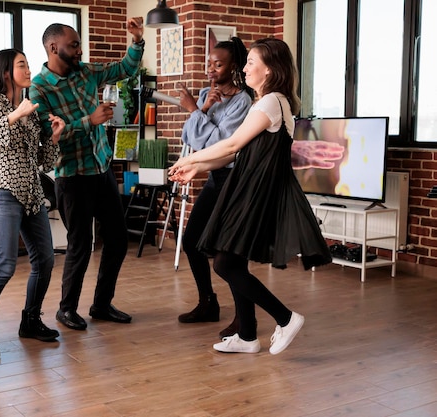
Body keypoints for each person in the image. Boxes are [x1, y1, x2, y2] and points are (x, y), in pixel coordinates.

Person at [169, 38, 331, 355]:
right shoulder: (267, 103)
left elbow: (230, 145)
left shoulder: (271, 102)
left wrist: (188, 159)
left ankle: (285, 318)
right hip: (249, 188)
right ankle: (247, 336)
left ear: (269, 69)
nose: (245, 68)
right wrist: (197, 168)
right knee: (232, 261)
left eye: (251, 62)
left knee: (225, 263)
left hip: (256, 194)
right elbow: (236, 153)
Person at [29, 18, 145, 330]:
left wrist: (136, 40)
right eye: (74, 45)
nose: (80, 50)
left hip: (102, 169)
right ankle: (66, 309)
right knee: (80, 245)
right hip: (72, 176)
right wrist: (88, 121)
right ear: (54, 48)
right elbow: (46, 136)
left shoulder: (86, 72)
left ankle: (102, 304)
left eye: (79, 44)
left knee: (118, 241)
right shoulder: (39, 89)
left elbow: (125, 69)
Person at [0, 48, 65, 360]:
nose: (29, 68)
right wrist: (14, 114)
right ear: (6, 71)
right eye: (22, 64)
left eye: (28, 63)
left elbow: (43, 162)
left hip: (33, 194)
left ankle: (31, 321)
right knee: (4, 266)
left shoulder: (30, 109)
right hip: (2, 192)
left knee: (45, 260)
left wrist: (54, 139)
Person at [176, 38, 252, 340]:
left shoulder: (243, 102)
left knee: (230, 253)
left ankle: (242, 317)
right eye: (209, 63)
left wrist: (195, 110)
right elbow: (191, 138)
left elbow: (220, 145)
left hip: (234, 183)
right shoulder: (208, 94)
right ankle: (207, 302)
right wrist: (202, 107)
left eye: (217, 64)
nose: (210, 69)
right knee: (192, 240)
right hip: (213, 179)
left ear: (234, 66)